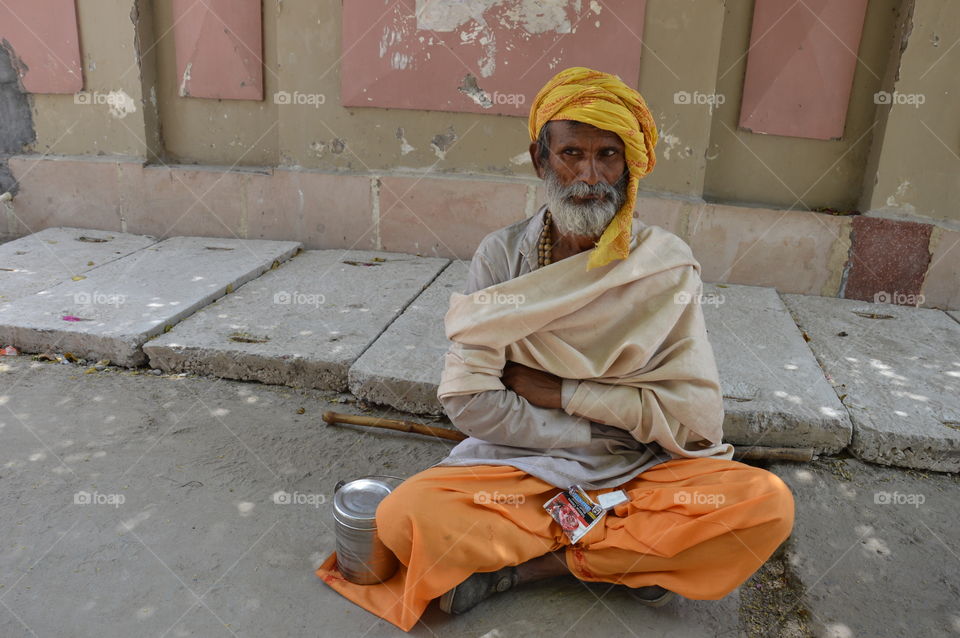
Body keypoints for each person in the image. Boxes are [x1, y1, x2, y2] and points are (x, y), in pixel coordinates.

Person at [316, 66, 795, 632]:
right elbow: (469, 401)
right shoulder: (501, 257)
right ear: (541, 159)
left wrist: (560, 391)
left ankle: (534, 568)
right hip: (526, 465)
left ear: (630, 165)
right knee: (404, 519)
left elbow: (693, 422)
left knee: (762, 505)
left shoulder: (663, 264)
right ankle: (628, 562)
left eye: (608, 155)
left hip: (642, 468)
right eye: (572, 154)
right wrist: (588, 429)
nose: (589, 176)